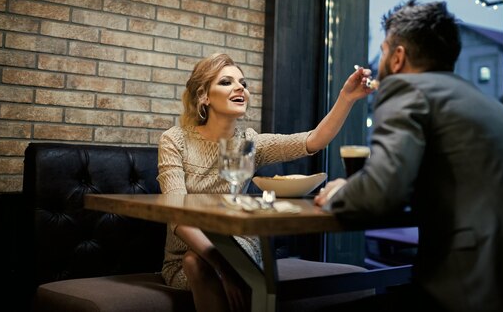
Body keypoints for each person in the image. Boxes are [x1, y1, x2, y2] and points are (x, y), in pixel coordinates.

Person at [315, 0, 503, 312]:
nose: (382, 60)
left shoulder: (405, 89)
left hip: (502, 289)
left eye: (386, 49)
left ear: (399, 57)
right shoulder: (484, 103)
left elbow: (381, 193)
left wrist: (341, 190)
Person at [157, 52, 373, 312]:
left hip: (238, 249)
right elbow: (177, 215)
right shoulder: (174, 140)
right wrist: (223, 266)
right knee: (194, 262)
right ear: (203, 96)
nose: (240, 88)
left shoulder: (250, 142)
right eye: (226, 82)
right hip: (184, 259)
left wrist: (346, 98)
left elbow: (313, 140)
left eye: (243, 83)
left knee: (202, 263)